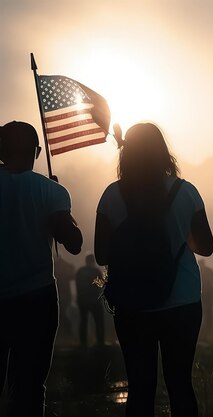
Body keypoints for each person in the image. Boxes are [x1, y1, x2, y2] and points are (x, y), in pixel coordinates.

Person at [94, 122, 213, 417]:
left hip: (132, 304)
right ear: (163, 152)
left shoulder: (112, 196)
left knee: (140, 387)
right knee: (180, 385)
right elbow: (206, 246)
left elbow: (101, 253)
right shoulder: (186, 193)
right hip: (182, 301)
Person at [0, 121, 83, 416]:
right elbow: (74, 243)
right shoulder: (50, 191)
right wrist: (59, 209)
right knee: (31, 387)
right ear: (37, 152)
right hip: (37, 298)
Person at [74, 254, 105, 347]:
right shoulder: (95, 271)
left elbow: (77, 285)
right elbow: (100, 285)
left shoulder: (80, 271)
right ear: (93, 261)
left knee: (83, 321)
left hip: (82, 300)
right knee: (99, 321)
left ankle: (83, 343)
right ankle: (100, 342)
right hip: (94, 300)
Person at [198, 260, 213, 341]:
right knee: (209, 313)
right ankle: (208, 332)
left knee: (206, 313)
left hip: (205, 294)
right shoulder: (209, 271)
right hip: (209, 294)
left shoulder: (202, 270)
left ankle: (206, 332)